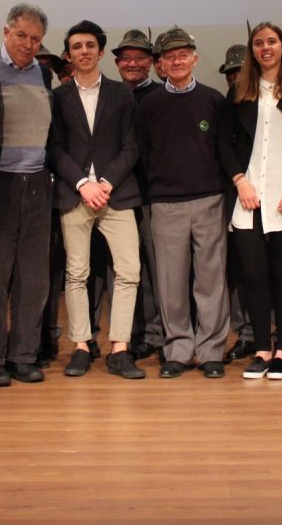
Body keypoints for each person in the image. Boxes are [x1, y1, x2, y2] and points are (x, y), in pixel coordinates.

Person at [48, 20, 147, 379]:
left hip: (116, 194)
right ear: (69, 54)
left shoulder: (122, 94)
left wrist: (104, 182)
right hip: (75, 195)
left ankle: (119, 349)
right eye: (77, 46)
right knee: (76, 273)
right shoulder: (57, 98)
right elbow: (54, 148)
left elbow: (131, 146)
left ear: (101, 52)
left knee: (129, 271)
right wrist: (81, 183)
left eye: (90, 45)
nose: (84, 51)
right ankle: (80, 345)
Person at [217, 22, 282, 379]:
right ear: (252, 50)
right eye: (258, 43)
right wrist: (239, 180)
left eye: (271, 41)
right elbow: (224, 144)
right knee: (254, 276)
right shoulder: (239, 93)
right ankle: (261, 349)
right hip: (248, 198)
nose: (265, 48)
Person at [136, 27, 230, 379]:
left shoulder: (213, 100)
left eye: (183, 54)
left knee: (211, 280)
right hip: (166, 204)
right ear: (160, 64)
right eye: (170, 56)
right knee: (170, 282)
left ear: (195, 58)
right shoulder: (150, 105)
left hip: (209, 199)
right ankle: (176, 349)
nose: (177, 60)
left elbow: (223, 150)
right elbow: (144, 155)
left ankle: (210, 351)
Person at [0, 3, 56, 386]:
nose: (28, 44)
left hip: (37, 184)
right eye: (21, 35)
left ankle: (22, 355)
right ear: (5, 32)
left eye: (35, 38)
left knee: (34, 278)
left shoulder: (44, 73)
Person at [112, 29, 165, 359]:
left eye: (139, 58)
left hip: (151, 195)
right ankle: (128, 333)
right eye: (126, 58)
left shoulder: (161, 96)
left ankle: (156, 333)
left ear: (151, 62)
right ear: (116, 63)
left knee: (157, 268)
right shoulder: (110, 95)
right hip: (113, 197)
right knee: (124, 271)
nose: (132, 63)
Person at [217, 42, 255, 362]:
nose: (236, 78)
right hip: (237, 196)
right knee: (241, 269)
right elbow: (223, 149)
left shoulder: (278, 97)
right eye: (231, 74)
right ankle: (246, 333)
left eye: (241, 71)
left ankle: (269, 334)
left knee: (273, 269)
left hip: (277, 198)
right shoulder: (226, 104)